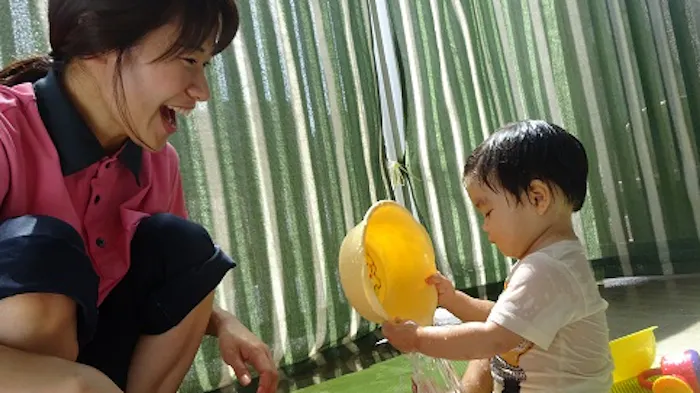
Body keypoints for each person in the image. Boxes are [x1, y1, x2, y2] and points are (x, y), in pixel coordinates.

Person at [0, 0, 279, 392]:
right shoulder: (6, 133)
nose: (202, 92)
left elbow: (163, 284)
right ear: (100, 45)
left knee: (187, 250)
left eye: (206, 64)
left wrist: (223, 322)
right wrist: (65, 381)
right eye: (187, 59)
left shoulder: (158, 164)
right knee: (39, 248)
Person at [382, 120, 614, 392]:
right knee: (485, 344)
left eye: (487, 212)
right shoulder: (553, 262)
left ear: (537, 198)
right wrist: (454, 300)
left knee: (483, 344)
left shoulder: (546, 268)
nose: (485, 226)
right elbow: (503, 319)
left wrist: (417, 339)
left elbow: (493, 338)